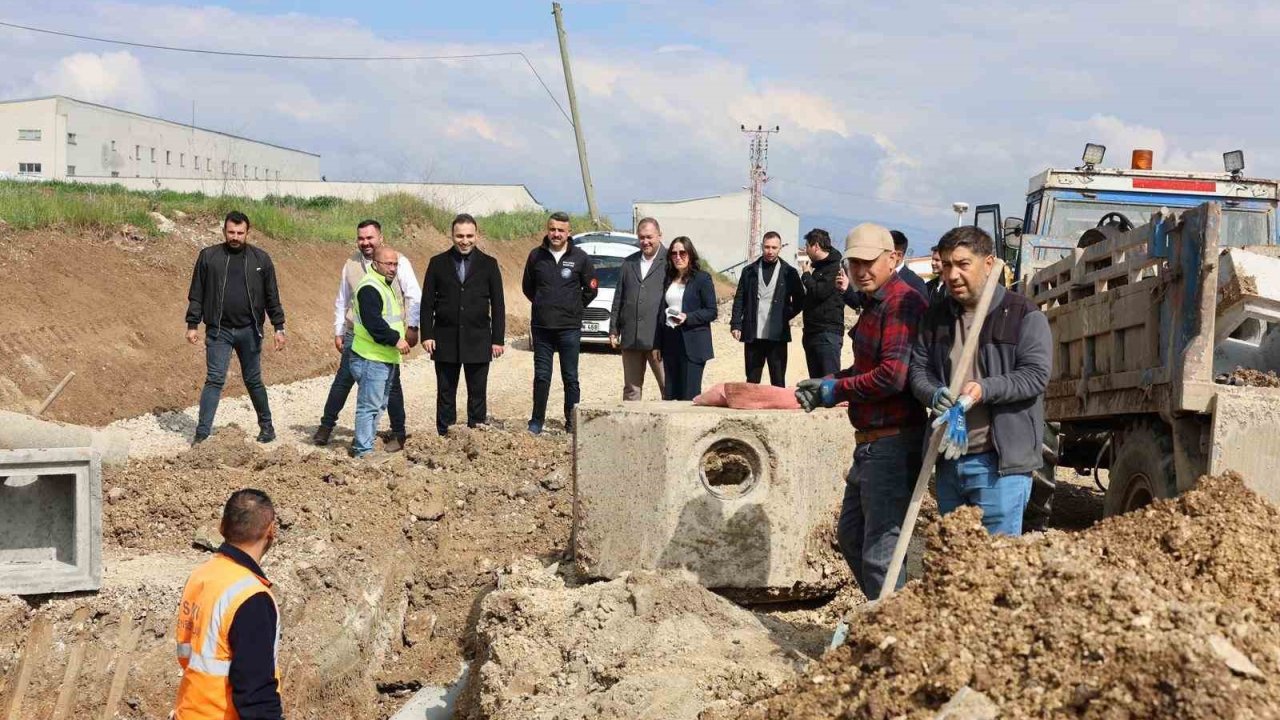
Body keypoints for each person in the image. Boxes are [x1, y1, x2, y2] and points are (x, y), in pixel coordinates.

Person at [794, 223, 927, 600]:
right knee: (851, 538)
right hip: (870, 443)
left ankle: (894, 633)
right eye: (855, 263)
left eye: (870, 263)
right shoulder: (874, 303)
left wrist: (835, 389)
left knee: (881, 552)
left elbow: (892, 377)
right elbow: (867, 369)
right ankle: (884, 615)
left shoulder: (903, 302)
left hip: (893, 442)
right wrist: (829, 383)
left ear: (893, 259)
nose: (862, 271)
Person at [909, 226, 1051, 536]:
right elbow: (918, 369)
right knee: (954, 560)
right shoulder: (936, 318)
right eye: (947, 265)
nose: (953, 274)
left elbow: (1035, 376)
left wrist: (983, 389)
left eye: (963, 264)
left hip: (999, 467)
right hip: (950, 459)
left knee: (993, 566)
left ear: (988, 264)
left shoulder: (1021, 315)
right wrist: (933, 393)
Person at [173, 489, 282, 720]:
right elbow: (256, 693)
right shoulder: (251, 598)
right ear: (271, 531)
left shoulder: (201, 576)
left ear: (222, 527)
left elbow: (186, 652)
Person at [313, 219, 421, 451]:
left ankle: (398, 432)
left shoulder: (396, 261)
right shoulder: (350, 264)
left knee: (391, 386)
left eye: (370, 238)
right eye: (361, 238)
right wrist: (338, 330)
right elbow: (342, 299)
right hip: (356, 335)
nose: (365, 243)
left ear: (380, 238)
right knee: (343, 381)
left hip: (386, 339)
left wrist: (412, 327)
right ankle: (326, 426)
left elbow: (413, 295)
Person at [185, 211, 285, 445]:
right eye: (231, 232)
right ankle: (202, 434)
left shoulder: (261, 260)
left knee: (253, 379)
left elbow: (272, 296)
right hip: (219, 331)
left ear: (247, 233)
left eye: (240, 233)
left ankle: (267, 427)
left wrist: (279, 327)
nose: (235, 237)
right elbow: (196, 293)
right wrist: (192, 324)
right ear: (224, 231)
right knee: (214, 379)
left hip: (250, 330)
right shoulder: (208, 257)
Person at [421, 214, 506, 435]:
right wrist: (427, 334)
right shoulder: (437, 263)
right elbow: (427, 302)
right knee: (446, 391)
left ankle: (476, 432)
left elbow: (498, 305)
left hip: (478, 340)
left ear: (477, 235)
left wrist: (497, 339)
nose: (464, 241)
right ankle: (445, 433)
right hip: (444, 340)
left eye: (469, 236)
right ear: (452, 235)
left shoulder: (489, 264)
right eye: (460, 236)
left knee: (477, 392)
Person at [522, 212, 598, 434]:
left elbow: (591, 288)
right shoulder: (536, 256)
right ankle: (536, 421)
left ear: (568, 232)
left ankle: (571, 422)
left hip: (569, 328)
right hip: (542, 328)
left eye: (561, 230)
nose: (556, 234)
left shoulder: (581, 257)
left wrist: (574, 306)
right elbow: (528, 287)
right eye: (552, 229)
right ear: (548, 230)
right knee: (542, 376)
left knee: (570, 377)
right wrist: (543, 304)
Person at [349, 246, 412, 458]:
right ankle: (362, 451)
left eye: (395, 264)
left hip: (383, 357)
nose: (393, 268)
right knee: (369, 406)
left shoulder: (384, 285)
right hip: (371, 357)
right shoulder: (370, 287)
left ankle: (365, 446)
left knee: (379, 404)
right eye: (388, 264)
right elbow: (373, 323)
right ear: (375, 263)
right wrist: (396, 340)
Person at [730, 231, 803, 387]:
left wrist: (785, 315)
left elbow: (800, 300)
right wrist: (736, 323)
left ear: (780, 248)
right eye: (767, 247)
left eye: (774, 247)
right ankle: (751, 410)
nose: (770, 251)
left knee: (778, 380)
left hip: (777, 335)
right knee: (752, 379)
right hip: (753, 333)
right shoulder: (749, 271)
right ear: (762, 247)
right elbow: (739, 298)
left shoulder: (789, 272)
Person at [608, 217, 667, 400]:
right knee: (631, 389)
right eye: (641, 237)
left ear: (659, 235)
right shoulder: (629, 263)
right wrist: (613, 329)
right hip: (631, 336)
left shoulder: (670, 262)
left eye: (649, 237)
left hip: (659, 338)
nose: (645, 241)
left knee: (668, 387)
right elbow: (619, 297)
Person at [659, 237, 717, 400]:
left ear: (690, 254)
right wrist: (658, 343)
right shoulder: (668, 279)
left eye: (682, 253)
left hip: (693, 344)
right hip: (671, 342)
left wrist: (688, 317)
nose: (678, 257)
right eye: (674, 253)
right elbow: (662, 311)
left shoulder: (702, 279)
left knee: (689, 396)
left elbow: (711, 311)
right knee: (670, 394)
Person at [839, 229, 928, 309]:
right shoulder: (875, 277)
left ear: (896, 256)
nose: (861, 272)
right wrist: (845, 288)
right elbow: (859, 303)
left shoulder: (914, 283)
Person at [798, 228, 844, 378]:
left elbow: (819, 292)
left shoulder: (834, 268)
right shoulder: (818, 268)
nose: (806, 250)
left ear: (816, 246)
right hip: (812, 332)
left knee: (829, 384)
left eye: (807, 247)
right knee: (816, 384)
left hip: (827, 335)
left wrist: (805, 275)